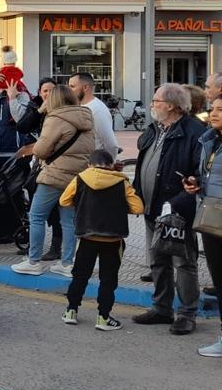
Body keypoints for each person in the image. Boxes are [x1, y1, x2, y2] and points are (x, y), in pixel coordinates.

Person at [131, 83, 206, 335]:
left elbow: (201, 169)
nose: (152, 105)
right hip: (152, 205)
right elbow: (144, 160)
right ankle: (162, 308)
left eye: (156, 101)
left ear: (171, 105)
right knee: (158, 258)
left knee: (184, 261)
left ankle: (187, 313)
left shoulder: (195, 131)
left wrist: (189, 188)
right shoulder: (155, 129)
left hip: (177, 208)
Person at [11, 85, 94, 277]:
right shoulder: (86, 117)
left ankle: (33, 261)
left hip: (54, 175)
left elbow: (41, 150)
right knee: (68, 220)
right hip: (77, 176)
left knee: (37, 216)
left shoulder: (55, 118)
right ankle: (67, 263)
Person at [60, 149, 143, 331]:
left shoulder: (80, 178)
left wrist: (83, 205)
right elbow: (138, 208)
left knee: (80, 275)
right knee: (108, 279)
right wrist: (119, 208)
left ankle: (71, 311)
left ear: (90, 164)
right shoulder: (122, 182)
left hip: (87, 237)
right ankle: (103, 317)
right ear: (111, 164)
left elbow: (64, 201)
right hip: (113, 240)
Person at [183, 94, 222, 356]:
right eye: (214, 108)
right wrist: (196, 182)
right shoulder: (210, 141)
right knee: (219, 279)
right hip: (212, 217)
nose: (214, 112)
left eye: (221, 109)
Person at [69, 72, 120, 157]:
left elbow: (111, 144)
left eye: (72, 86)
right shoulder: (79, 106)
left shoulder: (97, 110)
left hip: (94, 164)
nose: (69, 90)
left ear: (85, 87)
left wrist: (110, 164)